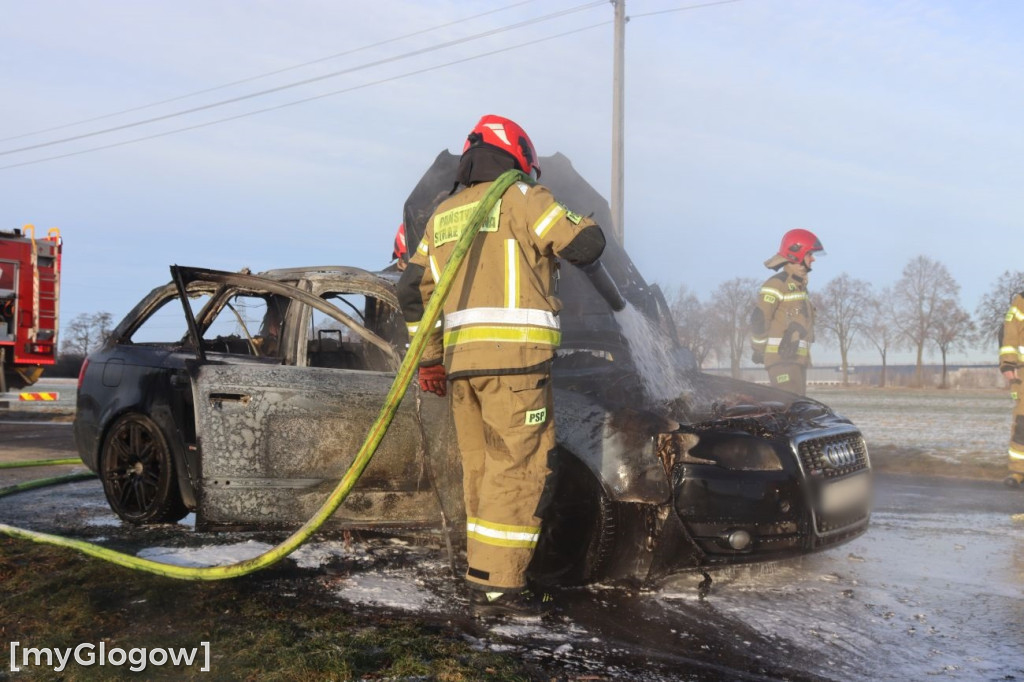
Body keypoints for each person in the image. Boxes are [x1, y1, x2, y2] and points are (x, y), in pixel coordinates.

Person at [396, 114, 608, 618]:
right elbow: (585, 246)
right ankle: (498, 590)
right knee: (518, 469)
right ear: (517, 157)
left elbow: (411, 293)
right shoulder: (524, 199)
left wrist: (428, 361)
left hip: (461, 369)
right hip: (514, 367)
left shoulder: (442, 214)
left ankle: (482, 572)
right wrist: (588, 217)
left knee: (483, 468)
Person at [749, 229, 824, 396]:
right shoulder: (776, 284)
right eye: (809, 254)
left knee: (798, 411)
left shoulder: (799, 286)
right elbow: (760, 319)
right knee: (790, 409)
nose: (813, 259)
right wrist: (759, 349)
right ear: (797, 255)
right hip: (781, 361)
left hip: (796, 361)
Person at [998, 291, 1024, 488]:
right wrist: (1007, 364)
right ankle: (1017, 471)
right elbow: (1009, 333)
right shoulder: (1021, 302)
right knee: (1023, 423)